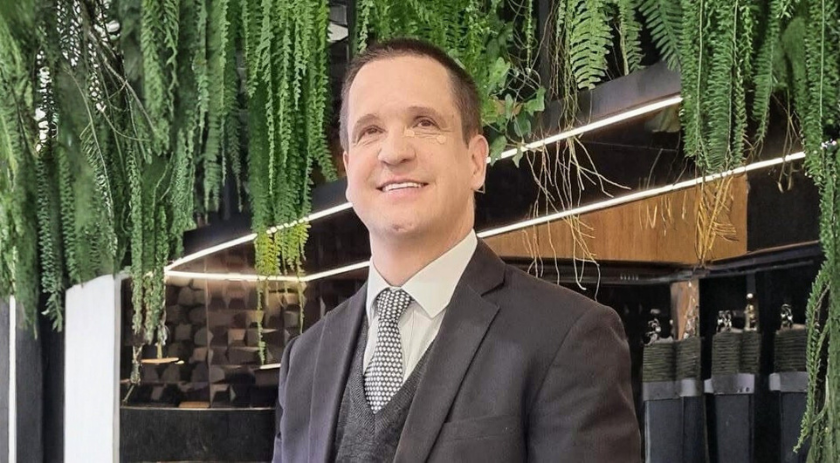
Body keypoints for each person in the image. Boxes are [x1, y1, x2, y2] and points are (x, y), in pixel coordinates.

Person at [272, 38, 640, 462]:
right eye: (370, 131)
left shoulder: (567, 338)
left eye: (424, 123)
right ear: (349, 168)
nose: (394, 152)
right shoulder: (306, 360)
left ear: (476, 161)